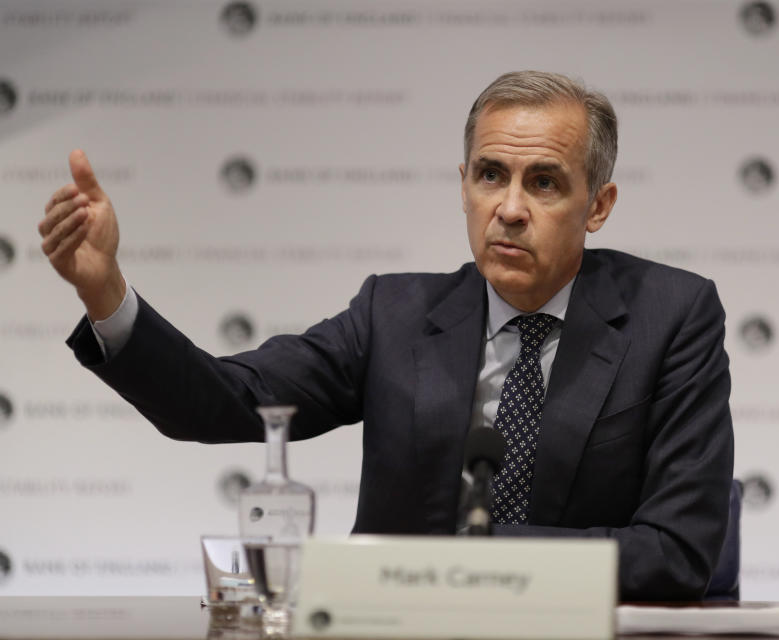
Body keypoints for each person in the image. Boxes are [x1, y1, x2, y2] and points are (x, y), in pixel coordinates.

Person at [38, 71, 733, 601]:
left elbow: (677, 552)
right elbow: (223, 400)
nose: (510, 209)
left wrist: (473, 560)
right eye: (491, 175)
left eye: (544, 182)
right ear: (465, 185)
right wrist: (106, 291)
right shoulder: (395, 314)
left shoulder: (671, 316)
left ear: (598, 206)